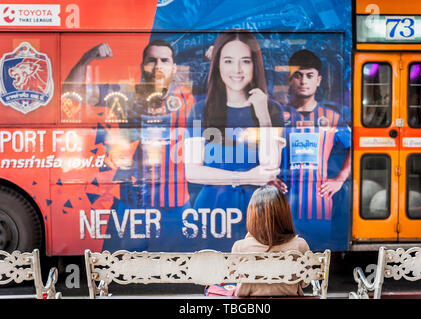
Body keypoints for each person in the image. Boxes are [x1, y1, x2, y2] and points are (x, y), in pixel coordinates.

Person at [63, 39, 195, 251]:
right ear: (142, 64)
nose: (158, 66)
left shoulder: (188, 98)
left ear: (173, 66)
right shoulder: (124, 94)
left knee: (183, 265)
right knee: (119, 267)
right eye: (152, 60)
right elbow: (71, 93)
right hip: (132, 199)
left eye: (164, 60)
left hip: (175, 201)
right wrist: (86, 59)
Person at [184, 29, 285, 249]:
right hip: (212, 213)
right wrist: (245, 176)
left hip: (259, 214)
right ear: (218, 64)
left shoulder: (272, 110)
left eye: (245, 61)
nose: (237, 70)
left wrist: (263, 115)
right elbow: (192, 171)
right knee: (216, 278)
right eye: (228, 61)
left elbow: (270, 166)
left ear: (254, 65)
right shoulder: (200, 110)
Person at [277, 49, 351, 232]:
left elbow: (355, 148)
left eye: (309, 75)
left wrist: (340, 179)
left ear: (318, 81)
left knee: (317, 255)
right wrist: (269, 178)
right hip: (281, 203)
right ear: (289, 79)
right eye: (298, 75)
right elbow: (260, 151)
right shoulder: (277, 116)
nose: (303, 81)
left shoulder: (333, 118)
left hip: (318, 204)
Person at [231, 185, 310, 296]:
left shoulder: (240, 247)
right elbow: (304, 282)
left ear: (253, 215)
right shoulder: (300, 245)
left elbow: (236, 279)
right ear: (285, 214)